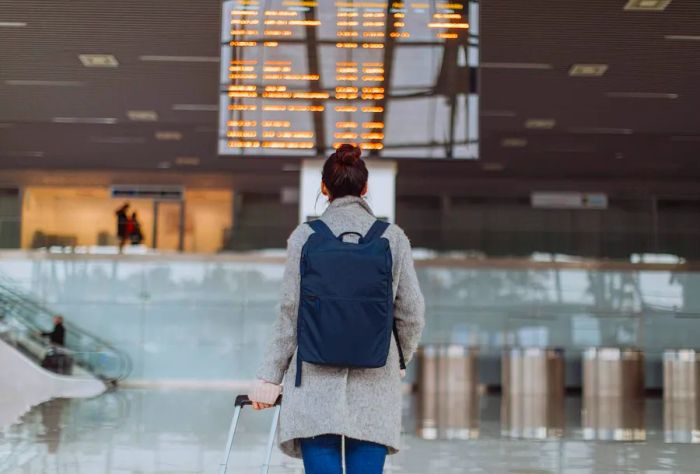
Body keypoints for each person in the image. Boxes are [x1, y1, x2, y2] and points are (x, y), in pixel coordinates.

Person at [248, 144, 425, 474]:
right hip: (375, 381)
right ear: (366, 188)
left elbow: (290, 312)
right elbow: (412, 312)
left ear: (324, 188)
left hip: (315, 382)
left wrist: (270, 376)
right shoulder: (393, 238)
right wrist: (399, 359)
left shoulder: (304, 237)